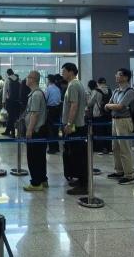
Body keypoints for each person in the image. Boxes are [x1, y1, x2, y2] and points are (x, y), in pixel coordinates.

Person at [104, 68, 134, 185]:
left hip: (124, 121)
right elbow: (110, 104)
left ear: (125, 77)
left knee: (124, 148)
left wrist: (110, 105)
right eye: (116, 74)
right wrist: (111, 105)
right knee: (116, 148)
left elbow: (120, 106)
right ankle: (119, 171)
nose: (116, 76)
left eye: (119, 75)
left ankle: (129, 175)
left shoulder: (129, 91)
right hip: (115, 120)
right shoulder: (116, 91)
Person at [61, 63, 88, 195]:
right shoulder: (78, 84)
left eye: (64, 71)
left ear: (71, 72)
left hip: (75, 126)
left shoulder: (73, 85)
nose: (62, 74)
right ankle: (81, 180)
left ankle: (83, 185)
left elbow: (74, 106)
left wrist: (69, 124)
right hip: (78, 125)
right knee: (78, 155)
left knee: (77, 156)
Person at [23, 71, 48, 192]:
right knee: (40, 157)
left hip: (36, 131)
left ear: (33, 79)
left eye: (28, 77)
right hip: (39, 130)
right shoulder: (36, 93)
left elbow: (34, 114)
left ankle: (36, 183)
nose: (26, 79)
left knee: (33, 158)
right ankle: (43, 180)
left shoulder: (36, 95)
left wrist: (29, 129)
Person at [89, 77, 112, 154]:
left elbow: (90, 103)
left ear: (98, 83)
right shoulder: (110, 90)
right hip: (108, 113)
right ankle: (109, 148)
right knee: (108, 131)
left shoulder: (96, 91)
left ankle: (101, 148)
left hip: (98, 114)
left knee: (99, 131)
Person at [45, 74, 62, 155]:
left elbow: (45, 99)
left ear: (49, 80)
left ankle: (52, 148)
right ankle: (57, 147)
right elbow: (59, 99)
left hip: (50, 110)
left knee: (50, 129)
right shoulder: (57, 88)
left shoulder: (48, 88)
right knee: (55, 129)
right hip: (57, 110)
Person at [2, 69, 20, 137]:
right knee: (15, 117)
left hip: (10, 101)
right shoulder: (19, 79)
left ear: (7, 73)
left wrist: (3, 101)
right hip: (17, 101)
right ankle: (7, 131)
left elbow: (4, 92)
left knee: (10, 117)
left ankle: (12, 133)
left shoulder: (7, 80)